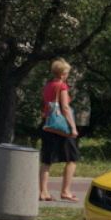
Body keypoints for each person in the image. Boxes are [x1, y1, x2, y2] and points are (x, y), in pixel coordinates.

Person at [39, 58, 80, 201]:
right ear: (63, 74)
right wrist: (73, 128)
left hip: (47, 124)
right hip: (60, 127)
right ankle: (65, 191)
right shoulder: (62, 87)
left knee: (47, 160)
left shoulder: (48, 86)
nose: (67, 75)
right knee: (72, 158)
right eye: (67, 73)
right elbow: (65, 108)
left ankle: (43, 192)